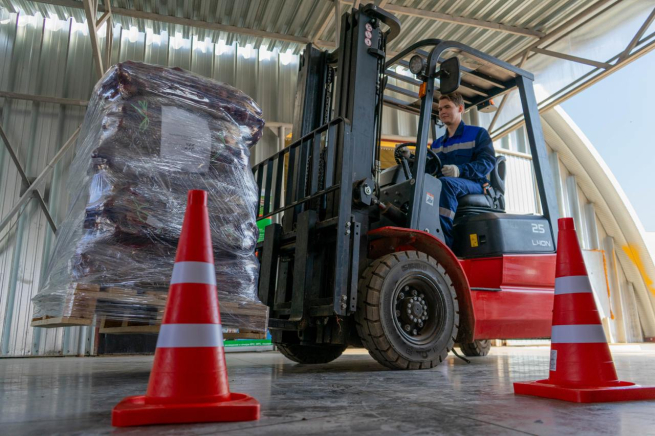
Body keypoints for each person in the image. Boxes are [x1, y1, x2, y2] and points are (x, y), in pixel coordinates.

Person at [431, 92, 496, 248]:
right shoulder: (437, 144)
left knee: (446, 184)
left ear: (460, 108)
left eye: (447, 107)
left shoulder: (477, 134)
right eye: (440, 109)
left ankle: (444, 244)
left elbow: (487, 163)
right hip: (450, 186)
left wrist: (460, 170)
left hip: (477, 185)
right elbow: (430, 169)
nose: (442, 112)